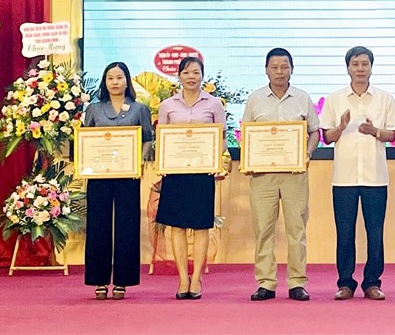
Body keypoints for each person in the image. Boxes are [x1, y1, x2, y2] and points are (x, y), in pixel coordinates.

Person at [320, 46, 395, 301]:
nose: (360, 69)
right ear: (348, 68)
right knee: (345, 233)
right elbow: (326, 137)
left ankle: (372, 283)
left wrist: (375, 131)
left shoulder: (384, 98)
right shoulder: (335, 99)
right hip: (343, 178)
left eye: (365, 64)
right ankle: (345, 283)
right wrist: (341, 127)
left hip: (375, 177)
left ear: (371, 67)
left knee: (375, 232)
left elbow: (393, 134)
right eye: (355, 64)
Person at [242, 48, 320, 301]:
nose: (279, 72)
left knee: (297, 229)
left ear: (292, 69)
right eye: (274, 67)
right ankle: (266, 283)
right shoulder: (255, 99)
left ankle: (297, 282)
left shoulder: (302, 98)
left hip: (295, 173)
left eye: (284, 67)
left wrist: (307, 153)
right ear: (266, 70)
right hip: (262, 175)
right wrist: (249, 159)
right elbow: (246, 133)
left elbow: (314, 131)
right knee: (263, 229)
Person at [155, 57, 226, 300]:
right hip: (175, 173)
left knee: (201, 226)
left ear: (202, 75)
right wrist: (163, 163)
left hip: (202, 173)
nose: (191, 77)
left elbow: (222, 138)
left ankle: (196, 278)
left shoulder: (214, 104)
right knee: (176, 226)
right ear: (179, 76)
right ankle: (182, 278)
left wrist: (215, 160)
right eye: (186, 72)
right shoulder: (167, 105)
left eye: (196, 72)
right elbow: (162, 139)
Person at [83, 61, 154, 300]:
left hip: (128, 176)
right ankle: (99, 280)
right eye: (110, 78)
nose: (115, 82)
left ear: (127, 81)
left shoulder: (139, 109)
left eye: (119, 77)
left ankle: (123, 281)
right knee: (98, 226)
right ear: (105, 82)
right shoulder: (94, 109)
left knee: (127, 227)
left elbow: (147, 139)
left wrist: (139, 161)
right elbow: (85, 139)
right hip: (99, 177)